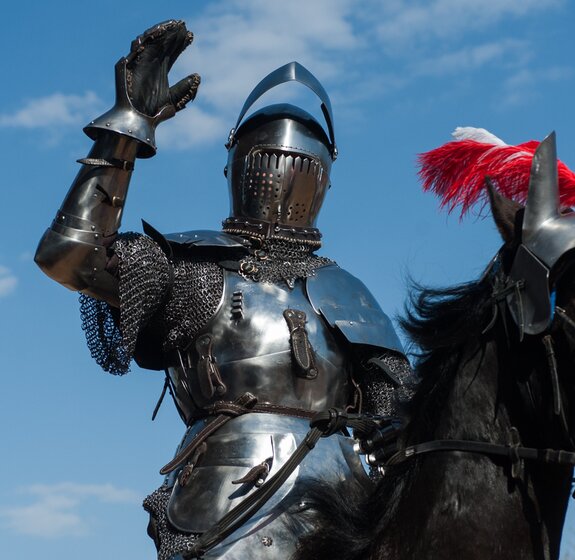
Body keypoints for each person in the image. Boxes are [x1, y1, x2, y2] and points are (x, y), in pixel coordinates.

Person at [35, 20, 412, 560]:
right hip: (223, 505)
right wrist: (127, 127)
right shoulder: (190, 267)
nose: (282, 175)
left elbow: (401, 416)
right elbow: (68, 256)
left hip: (343, 509)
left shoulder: (346, 292)